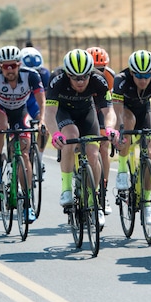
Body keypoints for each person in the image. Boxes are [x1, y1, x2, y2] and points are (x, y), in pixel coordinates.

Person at [44, 49, 116, 227]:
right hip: (64, 112)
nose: (81, 81)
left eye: (84, 76)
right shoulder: (57, 79)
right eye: (75, 78)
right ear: (67, 74)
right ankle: (67, 189)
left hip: (86, 112)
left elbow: (109, 111)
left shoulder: (99, 79)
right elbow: (50, 114)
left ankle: (96, 201)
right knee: (71, 136)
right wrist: (55, 134)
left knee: (93, 152)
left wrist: (109, 129)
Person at [0, 45, 45, 223]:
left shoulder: (32, 76)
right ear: (0, 66)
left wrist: (42, 121)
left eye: (13, 66)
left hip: (20, 110)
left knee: (24, 154)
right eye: (5, 66)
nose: (9, 70)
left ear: (19, 64)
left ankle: (27, 204)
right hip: (0, 108)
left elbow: (42, 103)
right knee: (1, 130)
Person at [112, 50, 151, 224]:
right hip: (125, 111)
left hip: (144, 111)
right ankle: (121, 169)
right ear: (132, 72)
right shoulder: (121, 79)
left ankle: (148, 202)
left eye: (147, 75)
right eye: (139, 75)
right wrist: (120, 131)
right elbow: (117, 110)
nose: (143, 79)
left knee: (149, 153)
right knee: (128, 121)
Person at [86, 46, 116, 214]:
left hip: (100, 109)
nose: (98, 72)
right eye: (94, 69)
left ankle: (102, 191)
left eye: (101, 69)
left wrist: (110, 127)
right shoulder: (81, 77)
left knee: (103, 147)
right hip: (84, 107)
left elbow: (109, 105)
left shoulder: (110, 77)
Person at [21, 46, 50, 171]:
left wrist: (44, 118)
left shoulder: (44, 73)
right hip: (21, 103)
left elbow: (47, 98)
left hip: (35, 102)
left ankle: (40, 158)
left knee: (45, 128)